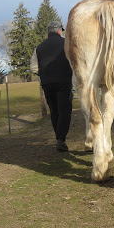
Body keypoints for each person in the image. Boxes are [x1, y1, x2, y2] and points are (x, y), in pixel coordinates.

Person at [30, 21, 73, 152]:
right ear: (60, 31)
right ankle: (61, 139)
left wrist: (44, 73)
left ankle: (58, 138)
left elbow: (33, 67)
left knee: (54, 110)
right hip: (63, 81)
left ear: (49, 32)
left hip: (47, 83)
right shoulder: (67, 44)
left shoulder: (39, 47)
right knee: (64, 110)